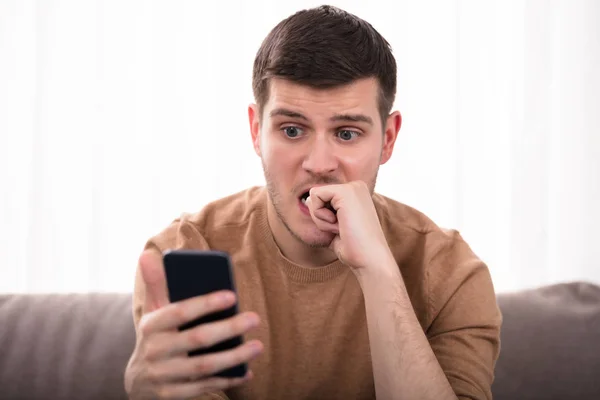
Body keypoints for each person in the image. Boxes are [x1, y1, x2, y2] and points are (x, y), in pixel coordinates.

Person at [124, 5, 502, 400]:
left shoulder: (452, 273)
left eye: (347, 133)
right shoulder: (183, 252)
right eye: (291, 129)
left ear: (388, 139)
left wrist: (377, 270)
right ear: (257, 131)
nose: (319, 165)